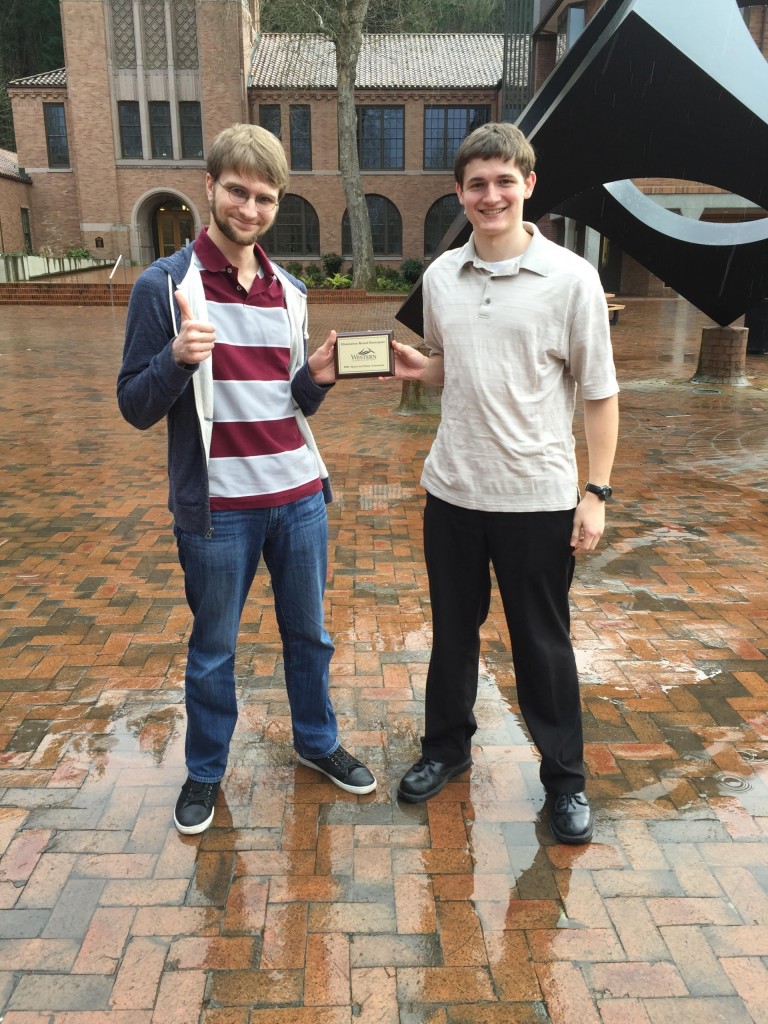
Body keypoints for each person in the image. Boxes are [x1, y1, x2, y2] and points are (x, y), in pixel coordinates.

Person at [117, 123, 376, 836]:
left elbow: (286, 399)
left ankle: (317, 743)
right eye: (237, 190)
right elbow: (135, 405)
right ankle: (204, 773)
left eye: (264, 197)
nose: (249, 207)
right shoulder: (165, 287)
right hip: (218, 511)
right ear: (211, 187)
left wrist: (316, 380)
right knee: (214, 651)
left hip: (297, 499)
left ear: (276, 204)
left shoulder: (289, 292)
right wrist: (174, 358)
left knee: (310, 638)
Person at [390, 122, 619, 844]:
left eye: (504, 180)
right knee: (452, 636)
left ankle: (566, 782)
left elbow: (600, 393)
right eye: (477, 184)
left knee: (541, 647)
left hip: (537, 501)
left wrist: (597, 492)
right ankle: (445, 751)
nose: (491, 195)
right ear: (460, 193)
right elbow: (455, 361)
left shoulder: (573, 280)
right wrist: (419, 370)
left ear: (528, 184)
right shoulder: (440, 278)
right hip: (453, 492)